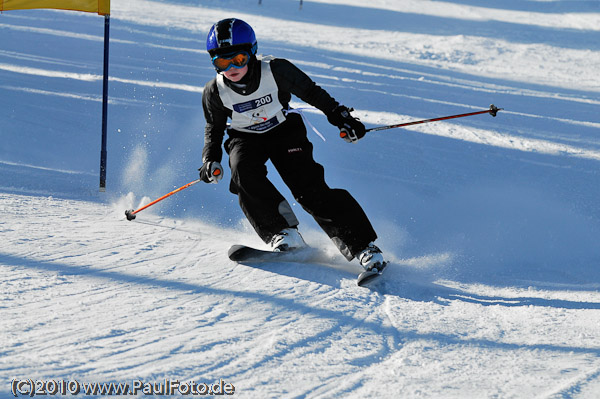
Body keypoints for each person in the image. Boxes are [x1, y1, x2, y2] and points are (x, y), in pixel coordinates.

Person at [198, 18, 386, 272]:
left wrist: (341, 118)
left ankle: (364, 247)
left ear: (252, 52)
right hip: (245, 137)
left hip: (283, 130)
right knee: (242, 171)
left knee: (308, 188)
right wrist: (210, 159)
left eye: (238, 59)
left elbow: (312, 92)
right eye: (221, 61)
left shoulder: (276, 70)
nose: (231, 67)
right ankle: (283, 233)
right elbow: (214, 128)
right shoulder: (214, 91)